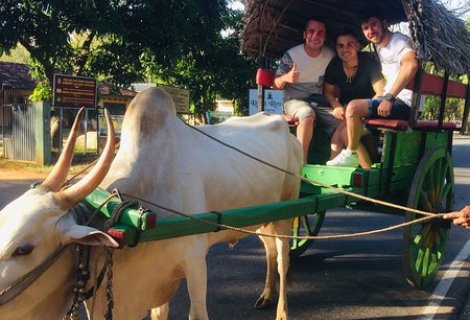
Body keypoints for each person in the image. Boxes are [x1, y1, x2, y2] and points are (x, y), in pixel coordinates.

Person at [326, 5, 418, 167]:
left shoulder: (399, 42)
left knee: (353, 107)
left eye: (373, 24)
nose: (370, 31)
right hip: (390, 102)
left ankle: (351, 154)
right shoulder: (379, 48)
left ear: (385, 23)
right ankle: (343, 169)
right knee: (341, 130)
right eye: (365, 28)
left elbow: (411, 66)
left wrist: (389, 98)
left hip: (404, 104)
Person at [273, 18, 336, 163]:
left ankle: (334, 162)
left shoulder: (330, 55)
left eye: (320, 33)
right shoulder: (292, 55)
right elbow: (275, 84)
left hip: (318, 101)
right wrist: (286, 77)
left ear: (325, 36)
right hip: (293, 100)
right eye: (311, 31)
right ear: (304, 34)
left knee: (342, 120)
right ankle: (301, 163)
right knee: (306, 113)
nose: (315, 36)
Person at [323, 29, 385, 168]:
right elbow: (328, 92)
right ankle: (333, 168)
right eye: (340, 45)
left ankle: (367, 171)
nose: (345, 49)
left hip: (370, 115)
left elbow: (381, 91)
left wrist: (362, 109)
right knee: (341, 130)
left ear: (357, 46)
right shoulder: (335, 65)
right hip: (346, 114)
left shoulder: (368, 63)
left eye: (349, 44)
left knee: (344, 132)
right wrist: (336, 105)